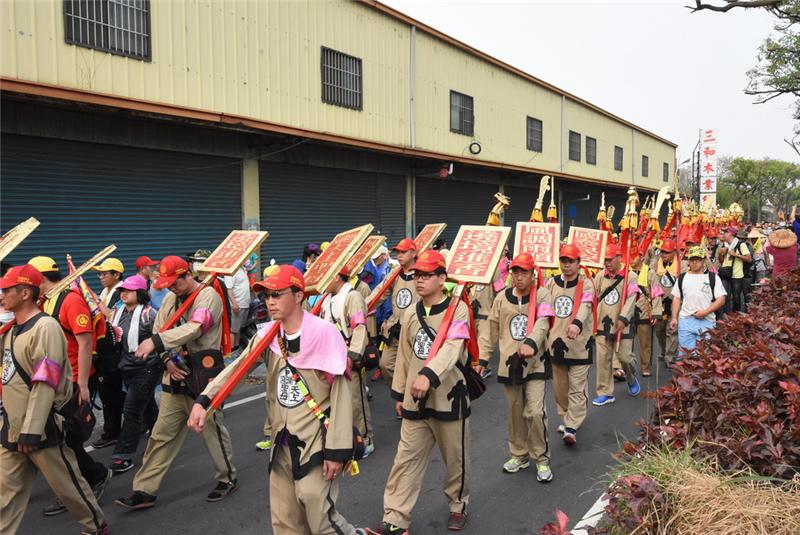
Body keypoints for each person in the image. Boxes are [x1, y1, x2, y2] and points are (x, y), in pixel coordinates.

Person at [189, 265, 367, 535]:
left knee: (321, 521)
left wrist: (337, 451)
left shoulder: (325, 334)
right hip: (281, 441)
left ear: (298, 295)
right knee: (285, 522)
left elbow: (342, 397)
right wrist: (205, 401)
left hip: (315, 440)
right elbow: (237, 368)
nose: (270, 302)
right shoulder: (267, 336)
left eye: (277, 294)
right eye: (266, 296)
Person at [116, 255, 238, 510]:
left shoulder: (208, 297)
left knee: (212, 431)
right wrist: (167, 359)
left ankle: (227, 477)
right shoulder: (171, 300)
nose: (172, 287)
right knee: (161, 435)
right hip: (174, 375)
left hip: (203, 377)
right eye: (168, 283)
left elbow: (197, 327)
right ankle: (145, 489)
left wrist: (157, 344)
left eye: (176, 282)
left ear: (187, 275)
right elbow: (159, 331)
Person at [367, 250, 472, 534]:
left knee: (455, 459)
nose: (420, 280)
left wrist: (428, 374)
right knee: (405, 459)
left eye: (427, 275)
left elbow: (453, 348)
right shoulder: (411, 311)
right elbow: (404, 355)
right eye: (417, 275)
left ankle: (457, 504)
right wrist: (399, 393)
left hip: (449, 397)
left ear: (442, 278)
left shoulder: (458, 309)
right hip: (415, 400)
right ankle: (395, 518)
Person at [0, 265, 109, 535]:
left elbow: (45, 381)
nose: (1, 295)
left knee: (67, 485)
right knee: (5, 492)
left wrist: (32, 429)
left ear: (25, 293)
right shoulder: (11, 330)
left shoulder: (46, 327)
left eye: (6, 290)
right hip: (12, 425)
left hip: (41, 426)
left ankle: (95, 525)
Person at [28, 256, 112, 517]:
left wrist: (83, 384)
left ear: (39, 278)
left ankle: (91, 479)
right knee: (62, 440)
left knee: (67, 440)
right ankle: (81, 482)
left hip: (74, 378)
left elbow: (85, 343)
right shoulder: (44, 302)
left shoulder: (70, 300)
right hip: (55, 378)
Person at [479, 253, 553, 482]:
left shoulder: (542, 295)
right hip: (509, 366)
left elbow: (544, 322)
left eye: (524, 272)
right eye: (516, 272)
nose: (519, 277)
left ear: (533, 274)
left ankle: (541, 459)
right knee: (515, 414)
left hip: (535, 364)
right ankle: (519, 455)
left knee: (536, 412)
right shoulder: (501, 298)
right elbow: (490, 329)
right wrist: (482, 359)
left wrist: (531, 342)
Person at [529, 244, 595, 446]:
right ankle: (567, 417)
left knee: (577, 387)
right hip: (555, 344)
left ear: (578, 263)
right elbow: (543, 307)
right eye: (563, 261)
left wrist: (577, 323)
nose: (566, 265)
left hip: (579, 345)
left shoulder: (587, 284)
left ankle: (572, 425)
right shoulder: (551, 283)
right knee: (560, 389)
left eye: (570, 261)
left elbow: (585, 305)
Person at [108, 275, 162, 474]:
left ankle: (123, 456)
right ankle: (162, 436)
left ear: (139, 293)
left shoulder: (150, 314)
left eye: (128, 291)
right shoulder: (118, 312)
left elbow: (162, 338)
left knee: (131, 410)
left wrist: (171, 364)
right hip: (126, 368)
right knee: (146, 405)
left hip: (147, 368)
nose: (123, 293)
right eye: (122, 290)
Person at [322, 269, 375, 456]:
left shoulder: (352, 296)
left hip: (347, 356)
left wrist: (353, 356)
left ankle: (365, 439)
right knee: (337, 403)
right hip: (331, 358)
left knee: (355, 400)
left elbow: (359, 327)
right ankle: (346, 439)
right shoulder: (327, 299)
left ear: (336, 276)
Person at [591, 244, 641, 406]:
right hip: (603, 325)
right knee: (603, 359)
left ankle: (630, 376)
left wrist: (624, 317)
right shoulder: (599, 276)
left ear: (619, 258)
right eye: (605, 260)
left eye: (610, 259)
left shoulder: (630, 276)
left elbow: (632, 297)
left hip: (622, 325)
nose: (607, 263)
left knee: (625, 358)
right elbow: (593, 297)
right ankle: (605, 392)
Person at [367, 238, 418, 395]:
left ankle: (411, 401)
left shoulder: (422, 274)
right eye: (398, 252)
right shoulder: (394, 274)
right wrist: (362, 307)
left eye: (404, 252)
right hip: (395, 328)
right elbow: (379, 293)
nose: (399, 255)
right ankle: (401, 396)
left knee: (413, 368)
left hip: (415, 329)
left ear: (414, 253)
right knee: (385, 365)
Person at [669, 246, 726, 357]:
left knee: (705, 357)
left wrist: (705, 312)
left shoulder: (713, 278)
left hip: (707, 321)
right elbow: (676, 298)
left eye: (698, 260)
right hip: (686, 321)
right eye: (692, 260)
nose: (694, 263)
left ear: (704, 261)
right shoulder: (682, 278)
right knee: (686, 356)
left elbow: (721, 299)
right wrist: (674, 318)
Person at [630, 251, 663, 377]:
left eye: (635, 256)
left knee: (645, 342)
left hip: (644, 311)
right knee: (625, 343)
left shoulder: (650, 272)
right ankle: (625, 367)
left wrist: (656, 313)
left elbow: (656, 293)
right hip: (627, 313)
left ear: (642, 257)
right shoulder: (625, 272)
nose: (632, 259)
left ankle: (646, 366)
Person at [650, 239, 684, 366]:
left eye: (667, 252)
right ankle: (664, 351)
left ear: (674, 252)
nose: (663, 254)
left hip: (675, 303)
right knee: (659, 331)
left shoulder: (682, 265)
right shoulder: (655, 264)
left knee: (672, 330)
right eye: (662, 252)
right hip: (661, 304)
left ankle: (670, 357)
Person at [717, 227, 752, 313]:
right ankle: (727, 316)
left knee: (736, 297)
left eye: (725, 232)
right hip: (725, 273)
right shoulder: (724, 245)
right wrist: (720, 254)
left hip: (736, 275)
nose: (723, 234)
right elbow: (722, 262)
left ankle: (736, 316)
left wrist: (736, 255)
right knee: (725, 296)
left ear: (731, 234)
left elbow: (749, 259)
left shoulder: (741, 245)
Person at [224, 265, 251, 350]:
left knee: (238, 328)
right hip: (238, 304)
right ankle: (231, 350)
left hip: (245, 303)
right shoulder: (230, 271)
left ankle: (237, 346)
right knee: (233, 329)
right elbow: (229, 289)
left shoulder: (242, 268)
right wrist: (234, 304)